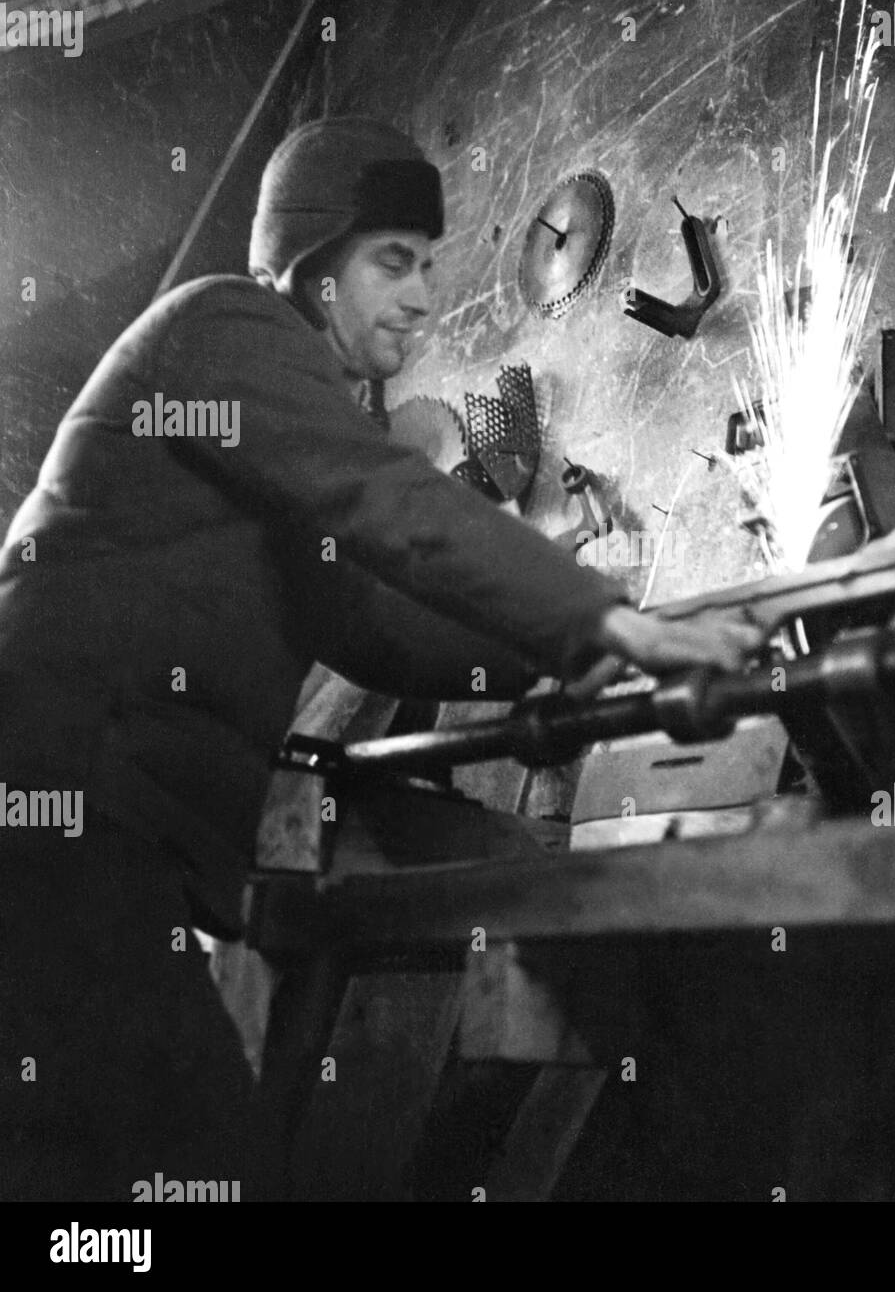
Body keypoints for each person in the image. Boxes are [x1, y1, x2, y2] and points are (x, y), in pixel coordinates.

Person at [0, 116, 763, 1200]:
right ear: (310, 267)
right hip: (59, 804)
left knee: (107, 1166)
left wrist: (565, 656)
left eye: (426, 267)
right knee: (180, 1162)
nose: (419, 296)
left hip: (103, 837)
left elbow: (375, 627)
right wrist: (606, 622)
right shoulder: (223, 326)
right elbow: (388, 499)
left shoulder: (282, 443)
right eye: (391, 262)